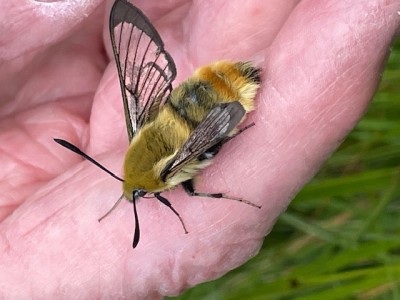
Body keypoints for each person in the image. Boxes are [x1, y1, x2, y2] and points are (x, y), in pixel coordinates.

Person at [0, 0, 398, 298]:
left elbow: (208, 145)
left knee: (202, 160)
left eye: (138, 191)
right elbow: (138, 69)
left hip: (229, 91)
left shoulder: (167, 176)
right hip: (204, 81)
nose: (136, 190)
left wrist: (226, 137)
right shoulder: (136, 131)